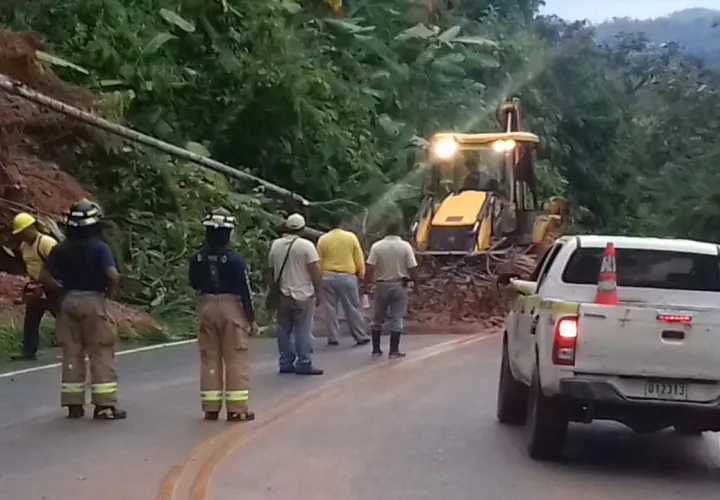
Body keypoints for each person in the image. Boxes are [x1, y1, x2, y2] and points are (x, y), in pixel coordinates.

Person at [40, 199, 126, 420]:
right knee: (101, 352)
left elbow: (45, 276)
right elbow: (112, 275)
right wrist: (110, 293)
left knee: (72, 353)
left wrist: (60, 292)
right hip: (93, 300)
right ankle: (104, 405)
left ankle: (73, 405)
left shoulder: (60, 248)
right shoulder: (100, 248)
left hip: (68, 301)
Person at [189, 208, 258, 422]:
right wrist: (251, 319)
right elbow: (244, 290)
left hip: (206, 305)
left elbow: (194, 283)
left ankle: (211, 407)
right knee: (235, 358)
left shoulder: (197, 258)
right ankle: (237, 408)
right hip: (231, 307)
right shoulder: (235, 259)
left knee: (210, 358)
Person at [268, 213, 323, 375]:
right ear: (303, 228)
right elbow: (315, 271)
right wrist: (318, 292)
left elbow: (270, 271)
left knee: (283, 329)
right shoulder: (306, 246)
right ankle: (304, 362)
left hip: (282, 294)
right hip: (303, 294)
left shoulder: (275, 245)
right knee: (303, 330)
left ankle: (285, 362)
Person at [365, 219, 419, 358]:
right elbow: (412, 267)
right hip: (399, 285)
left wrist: (366, 285)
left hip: (381, 284)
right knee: (397, 317)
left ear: (385, 231)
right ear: (399, 231)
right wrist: (417, 284)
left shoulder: (376, 246)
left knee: (377, 317)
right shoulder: (405, 246)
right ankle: (394, 350)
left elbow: (370, 267)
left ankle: (376, 349)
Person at [10, 212, 60, 361]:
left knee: (62, 316)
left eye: (23, 232)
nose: (22, 236)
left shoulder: (46, 243)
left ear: (32, 228)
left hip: (52, 285)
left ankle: (79, 345)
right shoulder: (24, 246)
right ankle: (28, 351)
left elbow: (60, 263)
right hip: (37, 286)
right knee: (31, 319)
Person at [316, 223, 370, 347]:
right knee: (352, 307)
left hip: (328, 275)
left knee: (330, 308)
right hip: (347, 276)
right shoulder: (350, 237)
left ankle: (333, 337)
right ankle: (360, 336)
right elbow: (358, 257)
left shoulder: (323, 239)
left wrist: (319, 277)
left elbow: (319, 260)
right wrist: (361, 274)